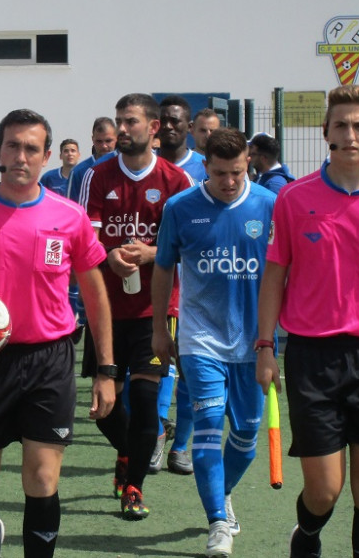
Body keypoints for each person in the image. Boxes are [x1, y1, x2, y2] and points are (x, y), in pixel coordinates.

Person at [0, 109, 115, 557]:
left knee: (43, 478)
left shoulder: (69, 217)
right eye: (12, 145)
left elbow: (95, 295)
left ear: (46, 156)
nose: (21, 156)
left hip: (48, 359)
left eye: (32, 148)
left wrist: (106, 368)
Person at [257, 84, 359, 558]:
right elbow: (274, 274)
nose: (350, 134)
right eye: (341, 125)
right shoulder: (293, 198)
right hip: (313, 357)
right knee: (325, 490)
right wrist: (265, 347)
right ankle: (307, 533)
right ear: (325, 131)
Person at [151, 128, 276, 557]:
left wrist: (275, 339)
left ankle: (222, 493)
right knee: (208, 430)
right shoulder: (180, 208)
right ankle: (217, 524)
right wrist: (157, 329)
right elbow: (163, 267)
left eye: (237, 172)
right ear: (205, 167)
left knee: (246, 436)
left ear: (249, 165)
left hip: (254, 343)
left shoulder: (269, 205)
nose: (229, 181)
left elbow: (282, 274)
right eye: (220, 173)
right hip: (199, 339)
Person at [78, 93, 192, 520]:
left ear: (153, 128)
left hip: (154, 310)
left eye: (130, 122)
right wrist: (108, 252)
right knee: (106, 410)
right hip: (106, 310)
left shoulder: (177, 182)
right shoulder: (96, 176)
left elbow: (189, 243)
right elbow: (83, 236)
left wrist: (153, 253)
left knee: (145, 403)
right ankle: (127, 453)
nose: (122, 130)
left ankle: (134, 486)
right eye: (118, 122)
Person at [155, 94, 205, 476]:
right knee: (154, 367)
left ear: (189, 127)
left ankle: (182, 446)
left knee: (188, 369)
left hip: (200, 291)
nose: (169, 126)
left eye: (177, 121)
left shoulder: (206, 169)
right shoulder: (141, 167)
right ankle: (155, 434)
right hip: (154, 287)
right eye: (164, 120)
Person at [66, 117, 118, 204]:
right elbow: (71, 208)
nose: (104, 146)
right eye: (99, 141)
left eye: (108, 141)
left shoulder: (127, 167)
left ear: (116, 138)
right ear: (92, 139)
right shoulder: (78, 172)